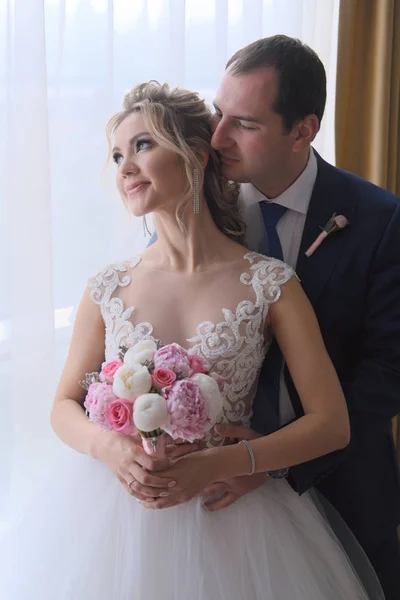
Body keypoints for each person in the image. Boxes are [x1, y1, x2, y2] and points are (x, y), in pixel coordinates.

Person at [0, 81, 382, 599]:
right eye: (116, 155)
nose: (124, 169)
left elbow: (331, 424)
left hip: (236, 522)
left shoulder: (270, 284)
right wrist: (109, 448)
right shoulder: (107, 286)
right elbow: (62, 405)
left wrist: (224, 462)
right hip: (113, 517)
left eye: (142, 145)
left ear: (197, 155)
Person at [198, 34, 400, 600]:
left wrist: (273, 456)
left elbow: (390, 371)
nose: (217, 139)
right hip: (216, 489)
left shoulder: (380, 220)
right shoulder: (201, 210)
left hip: (342, 484)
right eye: (218, 114)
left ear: (303, 130)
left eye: (246, 123)